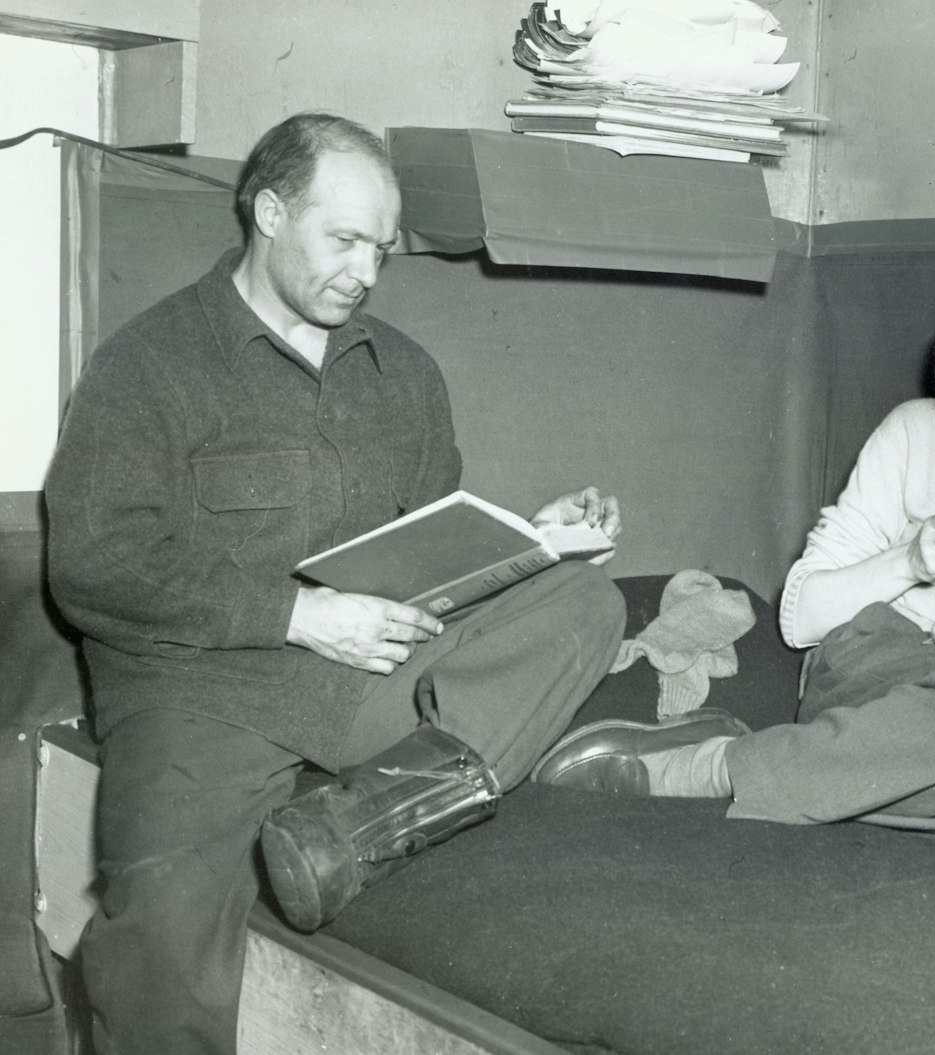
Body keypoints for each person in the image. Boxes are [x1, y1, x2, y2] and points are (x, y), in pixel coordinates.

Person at [44, 112, 626, 1055]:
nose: (364, 270)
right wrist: (299, 614)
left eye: (381, 250)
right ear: (269, 212)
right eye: (343, 239)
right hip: (204, 692)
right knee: (156, 933)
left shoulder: (406, 373)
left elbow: (437, 554)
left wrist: (537, 543)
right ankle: (391, 805)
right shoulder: (146, 364)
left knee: (591, 602)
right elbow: (93, 564)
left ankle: (363, 822)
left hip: (374, 666)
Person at [535, 214, 935, 840]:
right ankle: (699, 770)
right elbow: (799, 617)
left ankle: (791, 775)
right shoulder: (917, 429)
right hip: (884, 668)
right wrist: (907, 562)